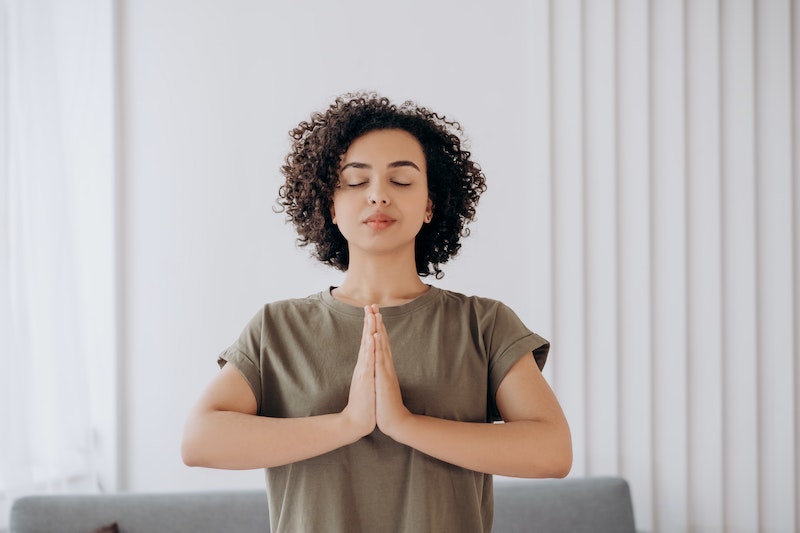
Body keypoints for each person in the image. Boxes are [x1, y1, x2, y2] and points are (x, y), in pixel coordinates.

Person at [181, 93, 572, 532]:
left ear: (430, 205)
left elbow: (552, 451)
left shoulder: (483, 324)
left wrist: (404, 424)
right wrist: (348, 424)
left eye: (401, 181)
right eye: (356, 180)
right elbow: (199, 442)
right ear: (330, 204)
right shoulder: (278, 328)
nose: (379, 196)